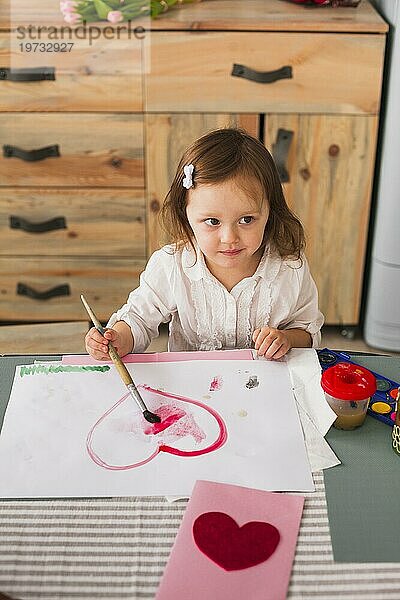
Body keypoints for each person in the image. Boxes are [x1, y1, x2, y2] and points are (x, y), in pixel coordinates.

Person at [85, 128, 324, 360]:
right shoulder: (172, 265)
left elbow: (308, 332)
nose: (229, 237)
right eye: (212, 221)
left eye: (247, 219)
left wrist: (286, 339)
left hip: (263, 388)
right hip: (191, 390)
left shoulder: (290, 267)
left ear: (270, 211)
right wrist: (116, 338)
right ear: (185, 214)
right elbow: (137, 320)